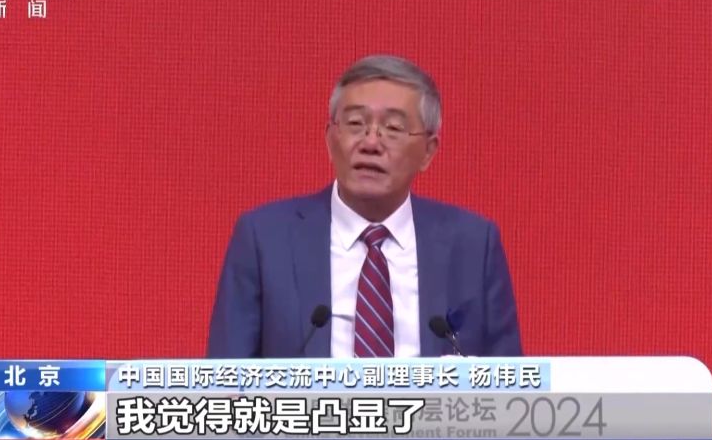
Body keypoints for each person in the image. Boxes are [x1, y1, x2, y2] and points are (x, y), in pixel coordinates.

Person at [207, 55, 522, 358]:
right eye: (355, 124)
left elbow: (510, 380)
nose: (371, 143)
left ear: (428, 151)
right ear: (330, 139)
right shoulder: (265, 239)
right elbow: (226, 378)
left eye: (393, 129)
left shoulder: (473, 245)